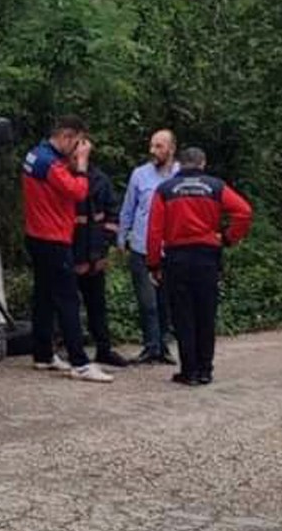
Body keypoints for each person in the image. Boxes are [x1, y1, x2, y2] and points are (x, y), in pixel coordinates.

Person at [146, 147, 253, 386]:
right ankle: (206, 370)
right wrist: (227, 238)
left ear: (179, 165)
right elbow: (244, 211)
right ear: (202, 163)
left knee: (183, 315)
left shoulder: (165, 190)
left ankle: (189, 371)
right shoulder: (215, 186)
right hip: (207, 256)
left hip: (177, 258)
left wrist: (153, 263)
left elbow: (154, 230)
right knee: (206, 313)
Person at [22, 115, 114, 383]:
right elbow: (78, 191)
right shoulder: (51, 164)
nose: (78, 150)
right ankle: (80, 362)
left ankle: (43, 353)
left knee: (44, 296)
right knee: (67, 299)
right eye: (76, 143)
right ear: (65, 136)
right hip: (54, 238)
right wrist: (83, 164)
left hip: (36, 234)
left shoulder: (34, 155)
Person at [119, 129, 179, 365]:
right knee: (147, 301)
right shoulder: (140, 175)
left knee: (165, 301)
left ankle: (163, 345)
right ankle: (150, 346)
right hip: (142, 246)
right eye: (152, 146)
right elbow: (129, 207)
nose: (153, 151)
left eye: (159, 146)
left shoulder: (180, 175)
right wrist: (121, 237)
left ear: (171, 149)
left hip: (170, 248)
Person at [70, 155, 130, 368]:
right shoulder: (64, 178)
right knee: (68, 305)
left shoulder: (100, 180)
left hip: (95, 253)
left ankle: (103, 349)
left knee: (97, 305)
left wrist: (103, 248)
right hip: (71, 253)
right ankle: (71, 350)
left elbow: (112, 216)